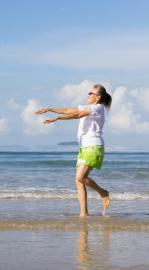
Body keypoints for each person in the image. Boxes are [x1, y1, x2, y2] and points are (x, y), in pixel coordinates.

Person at [34, 84, 112, 217]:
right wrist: (50, 109)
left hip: (94, 146)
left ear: (97, 97)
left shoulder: (98, 108)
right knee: (78, 180)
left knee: (81, 177)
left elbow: (77, 115)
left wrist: (58, 118)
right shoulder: (89, 107)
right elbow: (68, 110)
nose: (88, 95)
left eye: (90, 93)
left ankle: (103, 192)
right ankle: (84, 213)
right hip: (84, 147)